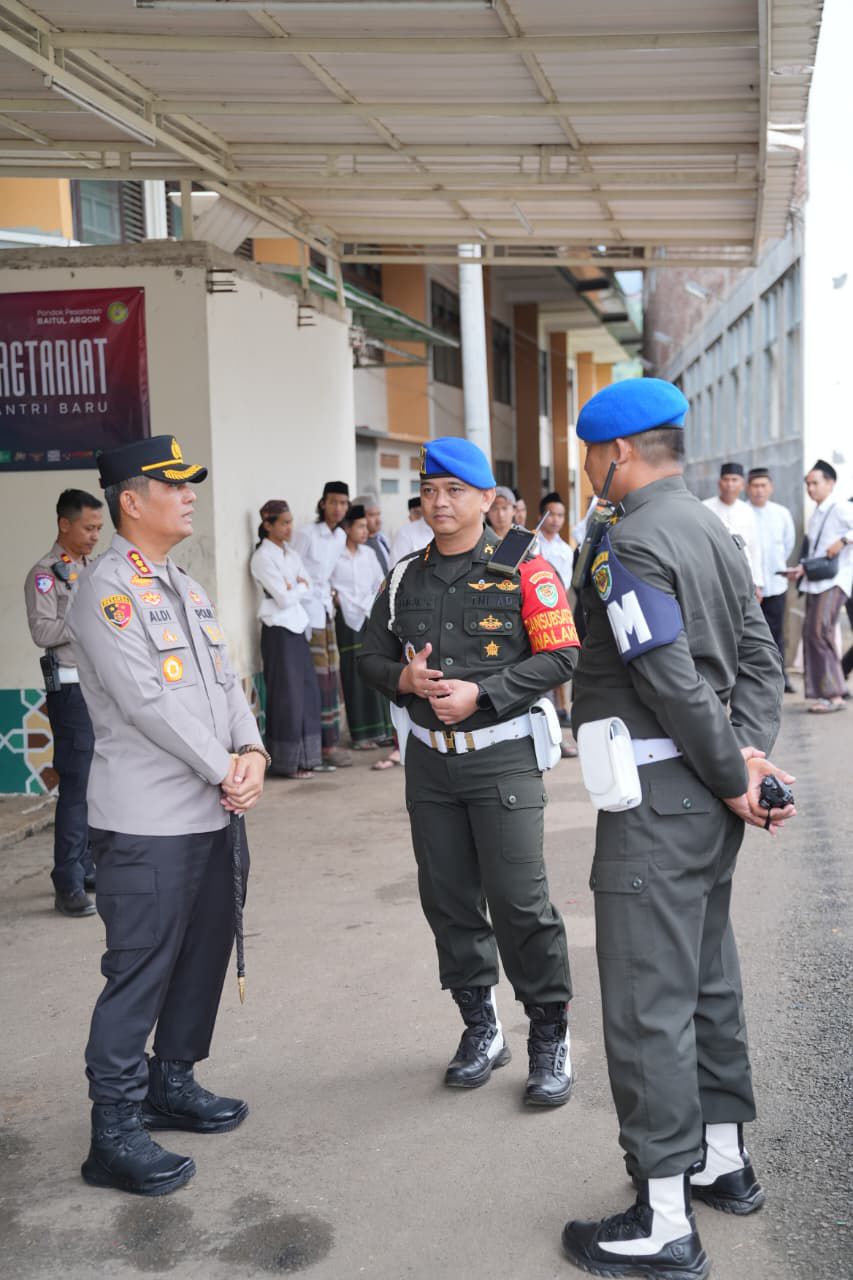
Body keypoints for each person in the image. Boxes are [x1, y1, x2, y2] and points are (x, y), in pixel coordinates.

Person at [561, 379, 795, 1279]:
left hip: (658, 804)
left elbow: (665, 675)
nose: (586, 470)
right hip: (707, 800)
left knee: (645, 1005)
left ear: (616, 454)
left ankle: (663, 1219)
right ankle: (723, 1163)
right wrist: (749, 758)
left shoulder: (629, 542)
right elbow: (757, 654)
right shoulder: (708, 527)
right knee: (707, 982)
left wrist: (734, 768)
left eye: (589, 455)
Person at [67, 435, 268, 1198]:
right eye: (173, 484)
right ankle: (112, 1130)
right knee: (140, 970)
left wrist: (249, 750)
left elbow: (223, 682)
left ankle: (171, 1082)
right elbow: (148, 702)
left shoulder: (184, 584)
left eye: (190, 484)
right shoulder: (105, 591)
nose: (189, 495)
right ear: (131, 499)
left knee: (200, 956)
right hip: (148, 821)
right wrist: (227, 769)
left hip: (211, 814)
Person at [359, 436, 580, 1107]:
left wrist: (480, 694)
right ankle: (480, 1028)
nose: (439, 502)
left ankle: (548, 1034)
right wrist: (403, 676)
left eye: (454, 490)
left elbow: (561, 655)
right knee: (449, 900)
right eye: (428, 490)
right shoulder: (403, 576)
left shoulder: (526, 569)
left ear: (487, 499)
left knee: (519, 902)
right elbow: (365, 655)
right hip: (429, 767)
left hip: (502, 759)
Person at [24, 489, 105, 917]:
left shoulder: (93, 568)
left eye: (98, 529)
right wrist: (84, 622)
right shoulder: (45, 574)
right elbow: (43, 630)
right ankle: (67, 881)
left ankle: (87, 864)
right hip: (70, 688)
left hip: (98, 686)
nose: (95, 536)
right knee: (75, 785)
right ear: (65, 525)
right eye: (89, 528)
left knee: (96, 781)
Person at [250, 499, 321, 778]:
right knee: (286, 696)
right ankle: (286, 763)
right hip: (277, 629)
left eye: (291, 522)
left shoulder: (290, 554)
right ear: (268, 526)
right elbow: (282, 598)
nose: (290, 527)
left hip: (297, 625)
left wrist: (297, 587)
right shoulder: (262, 557)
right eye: (284, 523)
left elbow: (308, 583)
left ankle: (306, 759)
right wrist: (296, 588)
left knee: (306, 692)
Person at [779, 459, 853, 713]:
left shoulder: (841, 507)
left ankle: (834, 695)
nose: (810, 488)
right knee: (816, 634)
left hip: (835, 581)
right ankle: (831, 692)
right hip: (816, 581)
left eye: (815, 483)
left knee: (817, 633)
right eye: (808, 484)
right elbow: (817, 552)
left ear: (830, 483)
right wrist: (800, 570)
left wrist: (844, 540)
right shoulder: (818, 514)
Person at [294, 481, 351, 769]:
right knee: (316, 677)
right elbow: (293, 568)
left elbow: (328, 576)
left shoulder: (340, 536)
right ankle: (316, 745)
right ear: (323, 503)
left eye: (343, 503)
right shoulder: (306, 534)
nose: (338, 508)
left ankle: (330, 743)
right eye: (333, 502)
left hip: (325, 611)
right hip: (305, 612)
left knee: (331, 675)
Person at [330, 504, 394, 749]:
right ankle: (361, 735)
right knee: (354, 674)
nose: (365, 531)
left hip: (369, 615)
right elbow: (327, 583)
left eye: (366, 527)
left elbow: (380, 583)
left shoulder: (368, 554)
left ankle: (381, 730)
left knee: (375, 667)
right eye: (360, 526)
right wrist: (336, 597)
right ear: (346, 528)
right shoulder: (335, 555)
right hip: (347, 619)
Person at [746, 467, 796, 692]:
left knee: (777, 633)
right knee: (751, 635)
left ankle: (781, 676)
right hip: (749, 588)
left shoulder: (782, 513)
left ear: (771, 488)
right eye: (755, 486)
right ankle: (756, 680)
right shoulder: (742, 513)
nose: (759, 490)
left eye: (763, 485)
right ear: (747, 488)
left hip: (776, 585)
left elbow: (788, 544)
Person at [702, 462, 764, 593]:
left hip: (742, 577)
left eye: (734, 480)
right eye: (726, 479)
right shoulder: (705, 508)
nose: (730, 484)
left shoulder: (747, 511)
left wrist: (757, 582)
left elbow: (754, 548)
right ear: (719, 483)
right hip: (713, 577)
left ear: (742, 485)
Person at [538, 492, 575, 586]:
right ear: (540, 517)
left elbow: (566, 584)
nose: (555, 519)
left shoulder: (566, 550)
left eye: (560, 515)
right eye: (551, 514)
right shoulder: (530, 542)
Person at [389, 495, 432, 565]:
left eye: (422, 513)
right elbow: (396, 568)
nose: (420, 517)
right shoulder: (404, 533)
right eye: (417, 513)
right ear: (409, 517)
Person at [356, 493, 391, 574]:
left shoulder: (382, 538)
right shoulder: (357, 544)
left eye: (378, 514)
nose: (378, 520)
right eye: (371, 515)